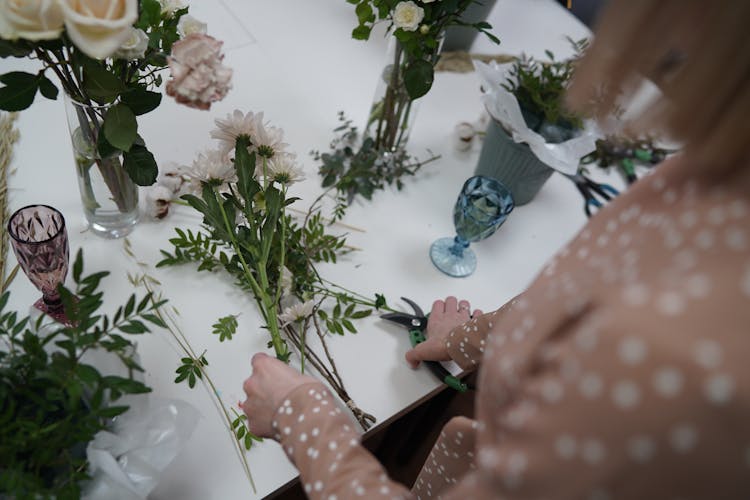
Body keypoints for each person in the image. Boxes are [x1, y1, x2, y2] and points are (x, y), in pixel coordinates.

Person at [242, 0, 750, 497]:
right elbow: (583, 288)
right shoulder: (718, 172)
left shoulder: (688, 370)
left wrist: (302, 418)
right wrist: (470, 340)